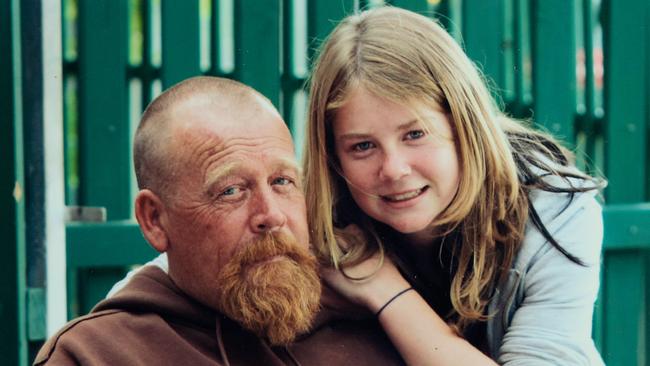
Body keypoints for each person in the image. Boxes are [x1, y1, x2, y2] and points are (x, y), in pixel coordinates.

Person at [302, 6, 606, 366]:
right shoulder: (312, 225)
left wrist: (384, 289)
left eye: (415, 134)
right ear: (333, 157)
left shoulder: (554, 208)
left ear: (464, 126)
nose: (394, 169)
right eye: (362, 146)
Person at [34, 76, 404, 365]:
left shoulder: (379, 320)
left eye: (282, 182)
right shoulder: (98, 355)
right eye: (230, 191)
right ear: (154, 220)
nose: (271, 215)